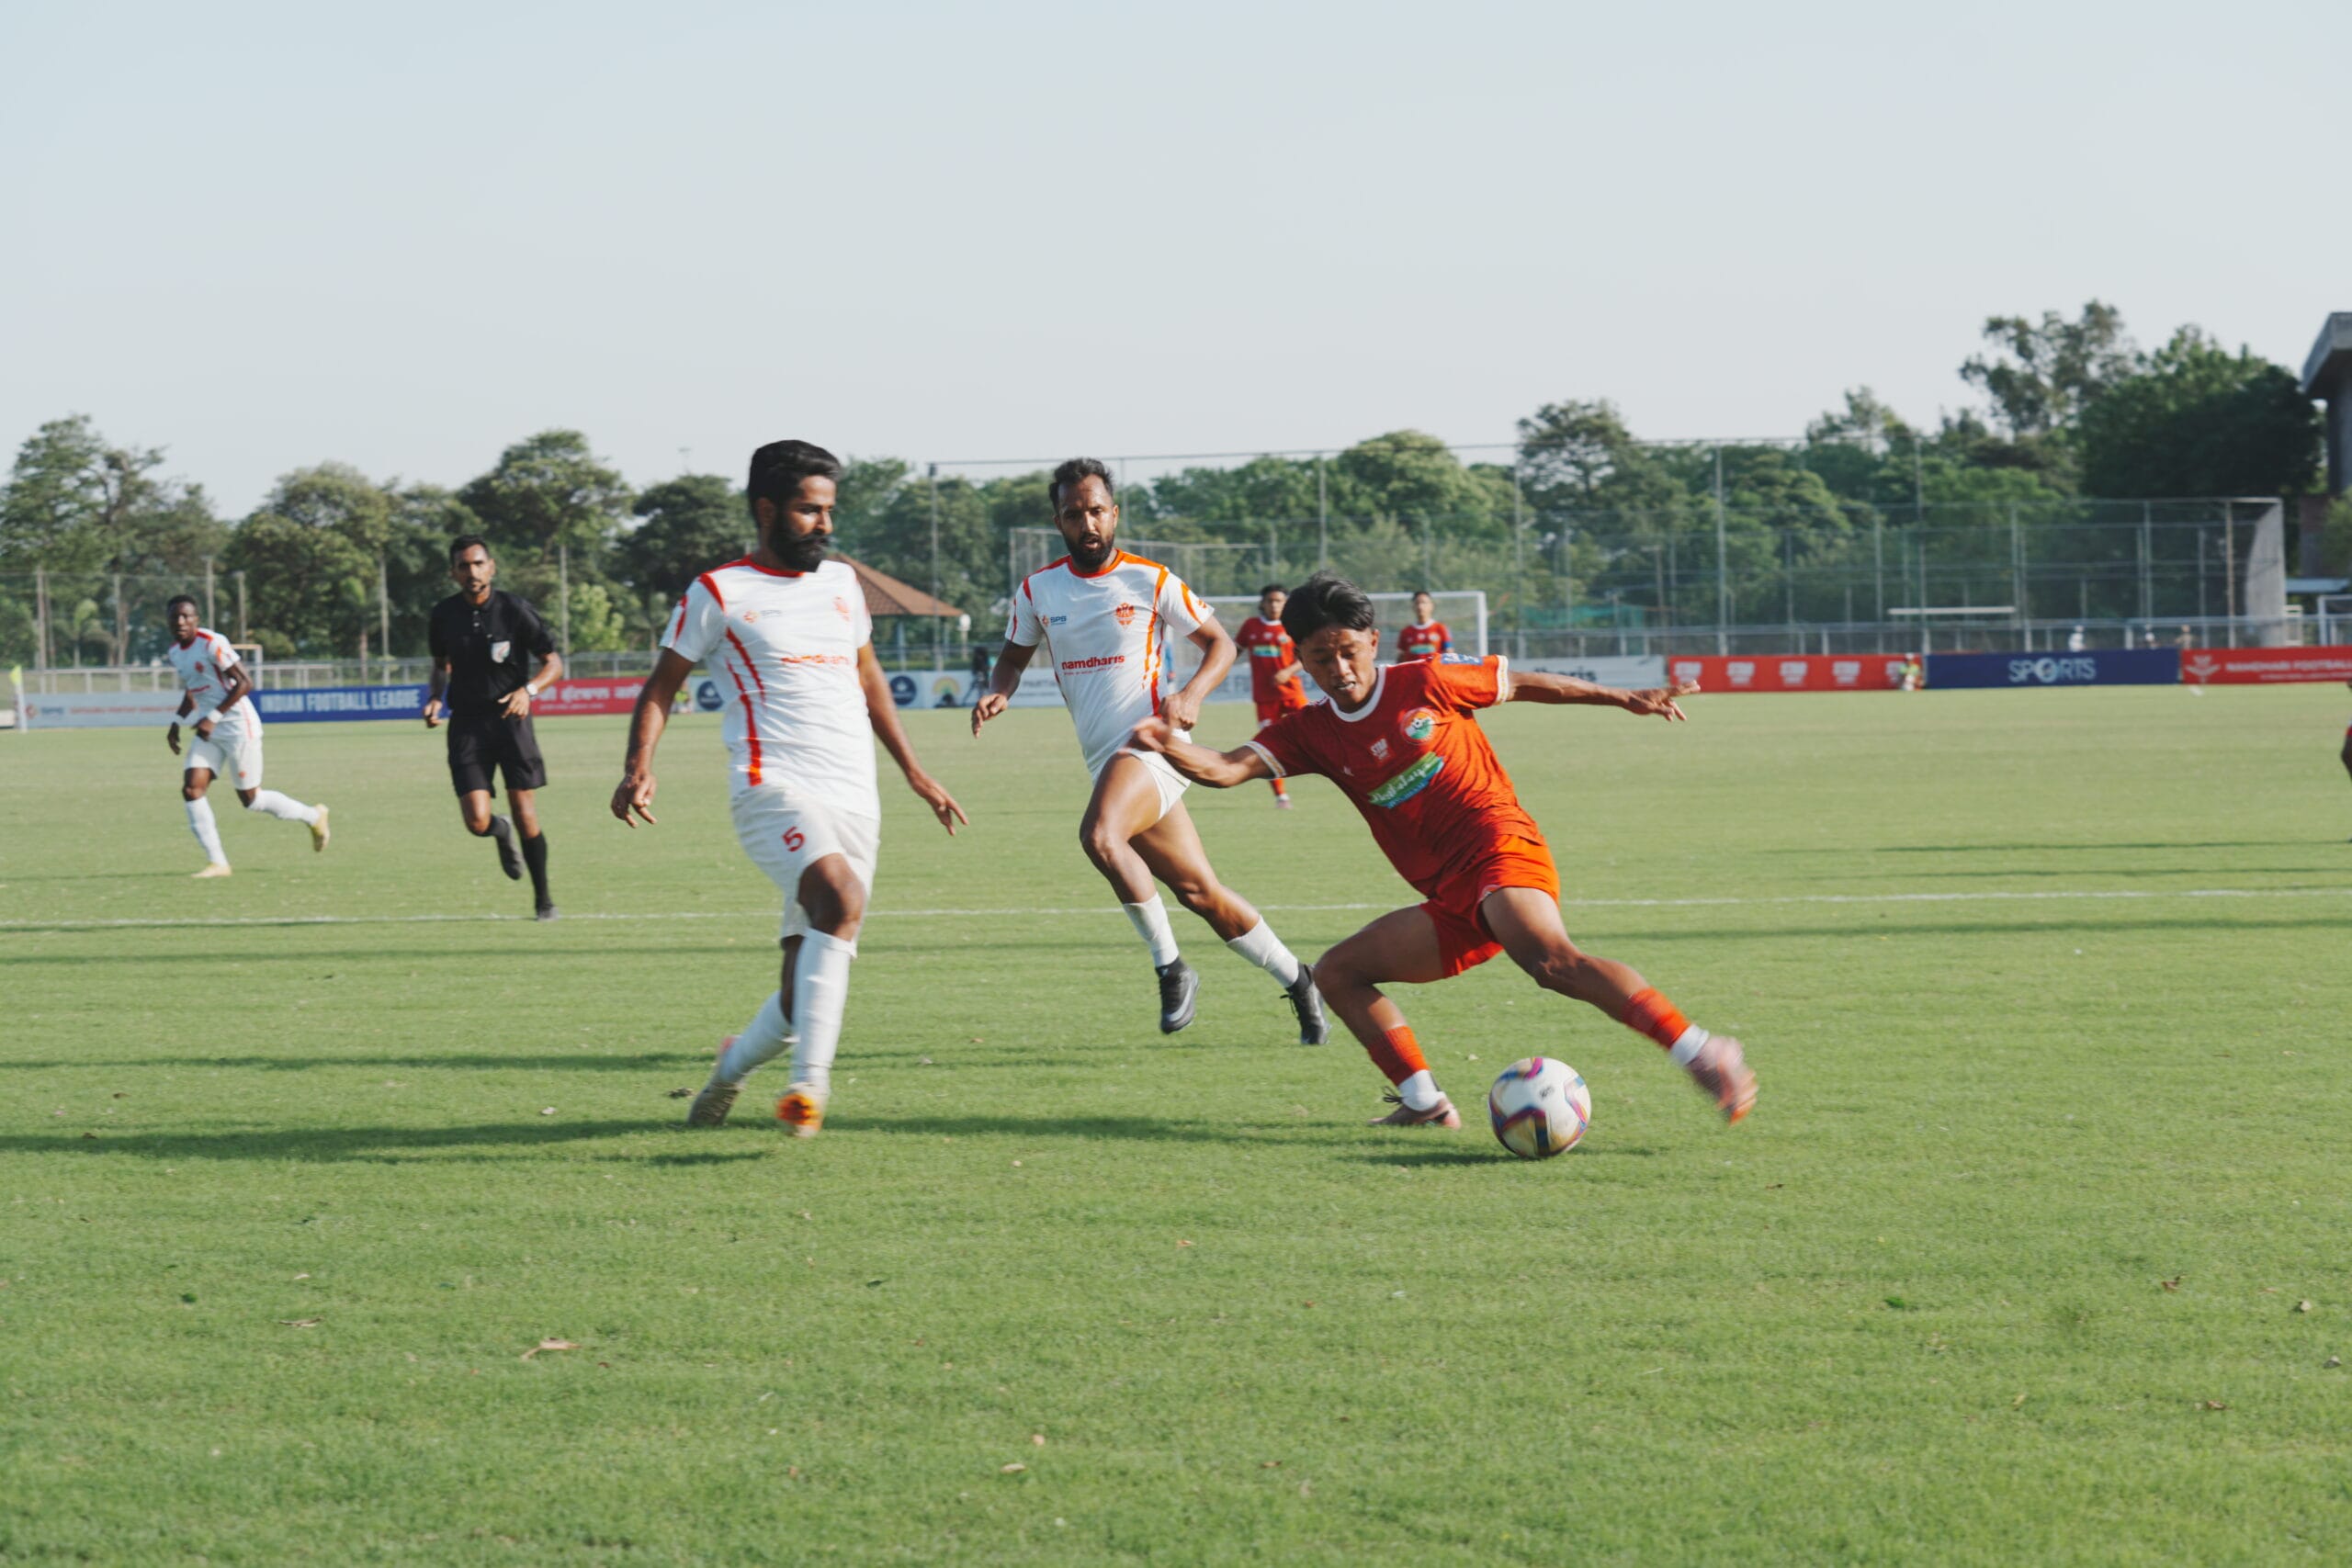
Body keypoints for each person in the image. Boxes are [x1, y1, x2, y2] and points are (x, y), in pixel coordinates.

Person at [1130, 571, 1756, 1129]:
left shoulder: (1427, 680)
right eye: (1322, 659)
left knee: (1551, 962)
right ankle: (1424, 1101)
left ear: (1373, 641)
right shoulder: (1308, 732)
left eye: (1349, 651)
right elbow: (1224, 768)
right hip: (1452, 896)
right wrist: (1166, 742)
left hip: (1500, 849)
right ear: (1303, 661)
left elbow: (1525, 683)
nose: (1340, 670)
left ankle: (1700, 1048)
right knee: (1338, 974)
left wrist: (1625, 697)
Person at [615, 439, 967, 1137]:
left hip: (853, 796)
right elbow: (661, 687)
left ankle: (729, 1071)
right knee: (840, 897)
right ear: (767, 509)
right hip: (769, 785)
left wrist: (913, 770)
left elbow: (869, 680)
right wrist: (638, 766)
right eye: (809, 510)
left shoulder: (840, 586)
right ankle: (809, 1089)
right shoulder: (717, 592)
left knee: (798, 984)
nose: (825, 524)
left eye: (829, 510)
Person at [973, 458, 1326, 1042]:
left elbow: (1220, 644)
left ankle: (1171, 967)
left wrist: (1189, 694)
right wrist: (997, 692)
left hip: (1152, 745)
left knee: (1099, 836)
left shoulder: (1149, 579)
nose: (1086, 523)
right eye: (1072, 514)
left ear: (1113, 514)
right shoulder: (1037, 590)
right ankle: (1300, 980)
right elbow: (1012, 659)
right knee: (1200, 893)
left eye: (1095, 510)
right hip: (1104, 761)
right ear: (1057, 521)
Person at [424, 536, 563, 919]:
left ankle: (544, 900)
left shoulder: (515, 610)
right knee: (476, 821)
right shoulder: (443, 615)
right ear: (453, 573)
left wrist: (529, 690)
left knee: (526, 814)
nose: (472, 572)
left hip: (511, 722)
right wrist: (436, 697)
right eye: (464, 566)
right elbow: (440, 663)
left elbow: (553, 662)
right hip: (467, 725)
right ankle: (498, 832)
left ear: (492, 567)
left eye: (478, 564)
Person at [164, 596, 329, 876]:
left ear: (196, 619)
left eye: (186, 616)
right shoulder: (175, 652)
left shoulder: (212, 642)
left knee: (251, 799)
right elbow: (194, 689)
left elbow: (245, 682)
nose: (180, 622)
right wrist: (177, 722)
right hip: (210, 731)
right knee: (192, 789)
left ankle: (314, 816)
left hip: (239, 726)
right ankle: (218, 863)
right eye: (175, 617)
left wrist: (212, 717)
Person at [1233, 583, 1310, 808]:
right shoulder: (1251, 626)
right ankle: (1281, 796)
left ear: (1285, 604)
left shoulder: (1293, 626)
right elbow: (1235, 649)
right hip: (1265, 698)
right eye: (1270, 601)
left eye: (1279, 601)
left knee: (1317, 728)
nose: (1274, 605)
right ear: (1263, 604)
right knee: (1269, 745)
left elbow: (1305, 656)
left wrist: (1288, 671)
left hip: (1292, 693)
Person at [1396, 591, 1451, 661]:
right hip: (1413, 672)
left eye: (1424, 603)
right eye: (1417, 603)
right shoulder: (1405, 632)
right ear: (1413, 607)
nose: (1420, 606)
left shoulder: (1441, 628)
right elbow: (1401, 657)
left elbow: (1449, 652)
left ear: (1431, 605)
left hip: (1433, 671)